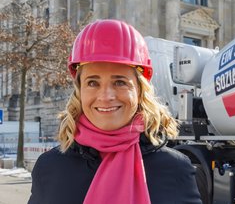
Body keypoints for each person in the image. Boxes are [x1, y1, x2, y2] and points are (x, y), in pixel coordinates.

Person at [28, 19, 202, 204]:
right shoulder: (50, 167)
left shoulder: (174, 169)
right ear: (79, 91)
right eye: (92, 83)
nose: (105, 96)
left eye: (120, 82)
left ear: (140, 90)